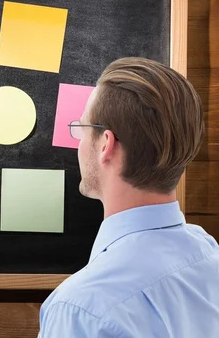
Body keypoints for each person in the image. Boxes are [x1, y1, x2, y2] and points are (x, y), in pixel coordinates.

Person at [38, 58, 219, 337]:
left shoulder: (80, 310)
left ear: (105, 145)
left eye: (82, 129)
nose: (79, 142)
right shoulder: (208, 252)